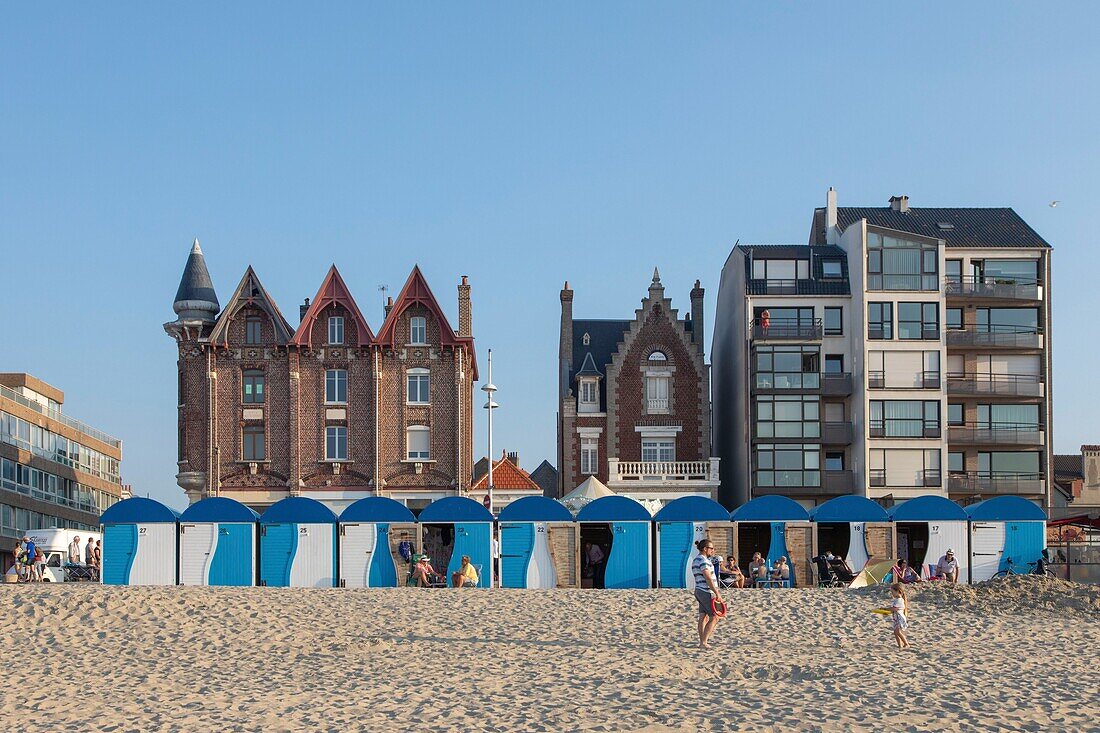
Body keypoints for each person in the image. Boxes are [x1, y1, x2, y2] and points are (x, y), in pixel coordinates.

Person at [691, 539, 724, 650]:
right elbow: (708, 577)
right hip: (706, 591)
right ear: (705, 549)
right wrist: (717, 592)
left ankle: (702, 641)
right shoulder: (703, 560)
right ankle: (704, 642)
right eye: (711, 548)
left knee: (702, 616)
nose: (713, 550)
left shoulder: (696, 559)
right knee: (714, 617)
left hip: (699, 590)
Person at [879, 583, 911, 649]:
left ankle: (906, 643)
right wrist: (886, 612)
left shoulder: (900, 600)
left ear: (898, 591)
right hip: (896, 618)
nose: (892, 594)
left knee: (898, 632)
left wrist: (885, 609)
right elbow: (893, 610)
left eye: (893, 592)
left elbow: (894, 609)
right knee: (895, 632)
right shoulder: (896, 600)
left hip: (900, 619)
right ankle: (900, 645)